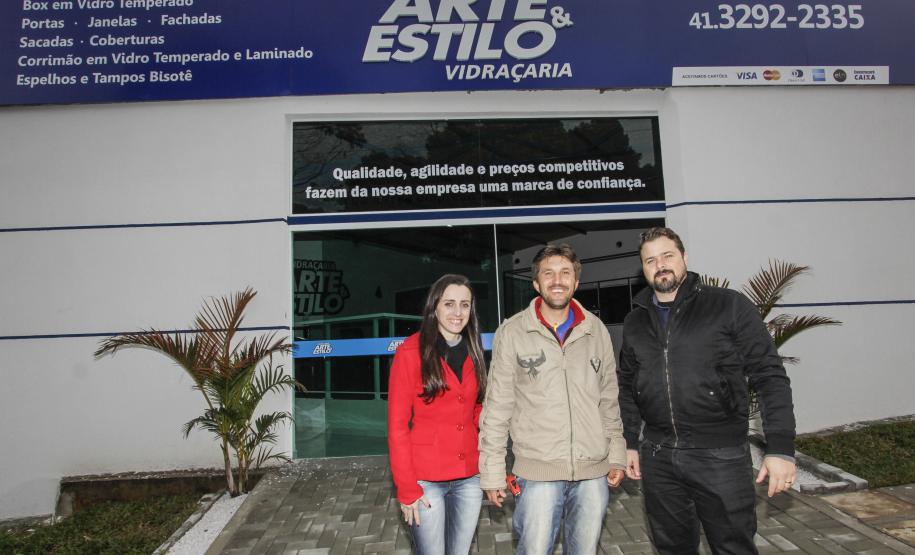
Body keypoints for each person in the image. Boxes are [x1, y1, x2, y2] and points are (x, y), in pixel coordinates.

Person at [618, 227, 797, 554]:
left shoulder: (728, 306)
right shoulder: (635, 322)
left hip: (720, 456)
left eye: (667, 255)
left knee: (733, 548)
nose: (660, 265)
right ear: (643, 268)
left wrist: (781, 448)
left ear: (684, 257)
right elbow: (628, 385)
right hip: (658, 457)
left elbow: (769, 375)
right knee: (671, 548)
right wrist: (629, 441)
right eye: (650, 260)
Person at [478, 243, 627, 554]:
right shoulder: (513, 332)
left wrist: (616, 454)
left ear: (576, 281)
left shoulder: (595, 330)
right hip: (537, 475)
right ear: (536, 283)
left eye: (565, 273)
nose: (557, 280)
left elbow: (608, 399)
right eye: (548, 274)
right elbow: (497, 407)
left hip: (593, 473)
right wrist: (492, 471)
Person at [387, 274, 488, 555]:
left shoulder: (474, 349)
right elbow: (397, 427)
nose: (458, 312)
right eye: (449, 304)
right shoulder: (410, 352)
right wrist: (406, 487)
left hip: (470, 476)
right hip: (425, 479)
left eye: (465, 305)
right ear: (435, 306)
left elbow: (476, 408)